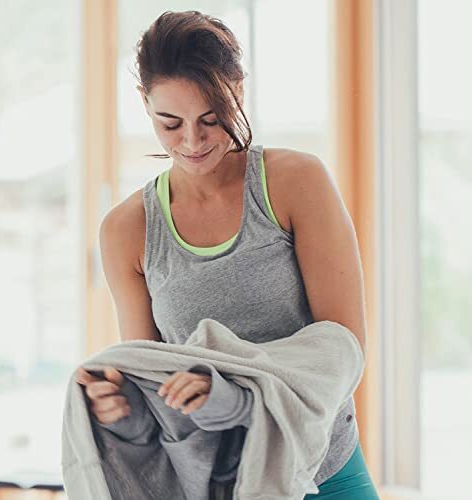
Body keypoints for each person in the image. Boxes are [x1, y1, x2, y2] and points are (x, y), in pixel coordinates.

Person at [76, 9, 380, 499]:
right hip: (219, 483)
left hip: (323, 469)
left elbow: (342, 348)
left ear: (237, 89)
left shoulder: (295, 183)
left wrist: (236, 398)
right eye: (169, 123)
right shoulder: (126, 230)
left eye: (211, 119)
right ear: (144, 102)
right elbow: (156, 388)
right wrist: (118, 410)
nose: (192, 142)